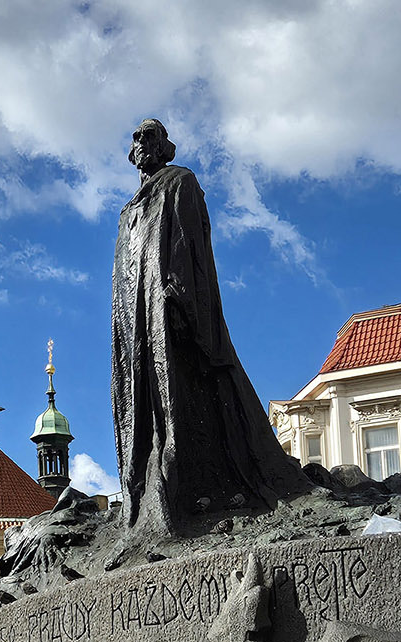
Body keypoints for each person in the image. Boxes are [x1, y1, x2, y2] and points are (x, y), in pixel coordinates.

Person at [111, 119, 305, 542]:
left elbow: (189, 245)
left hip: (171, 307)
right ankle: (155, 484)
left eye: (150, 136)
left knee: (188, 393)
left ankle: (196, 485)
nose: (141, 143)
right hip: (138, 319)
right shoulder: (128, 211)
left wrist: (179, 297)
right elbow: (124, 274)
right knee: (149, 396)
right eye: (136, 138)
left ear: (165, 146)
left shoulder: (180, 182)